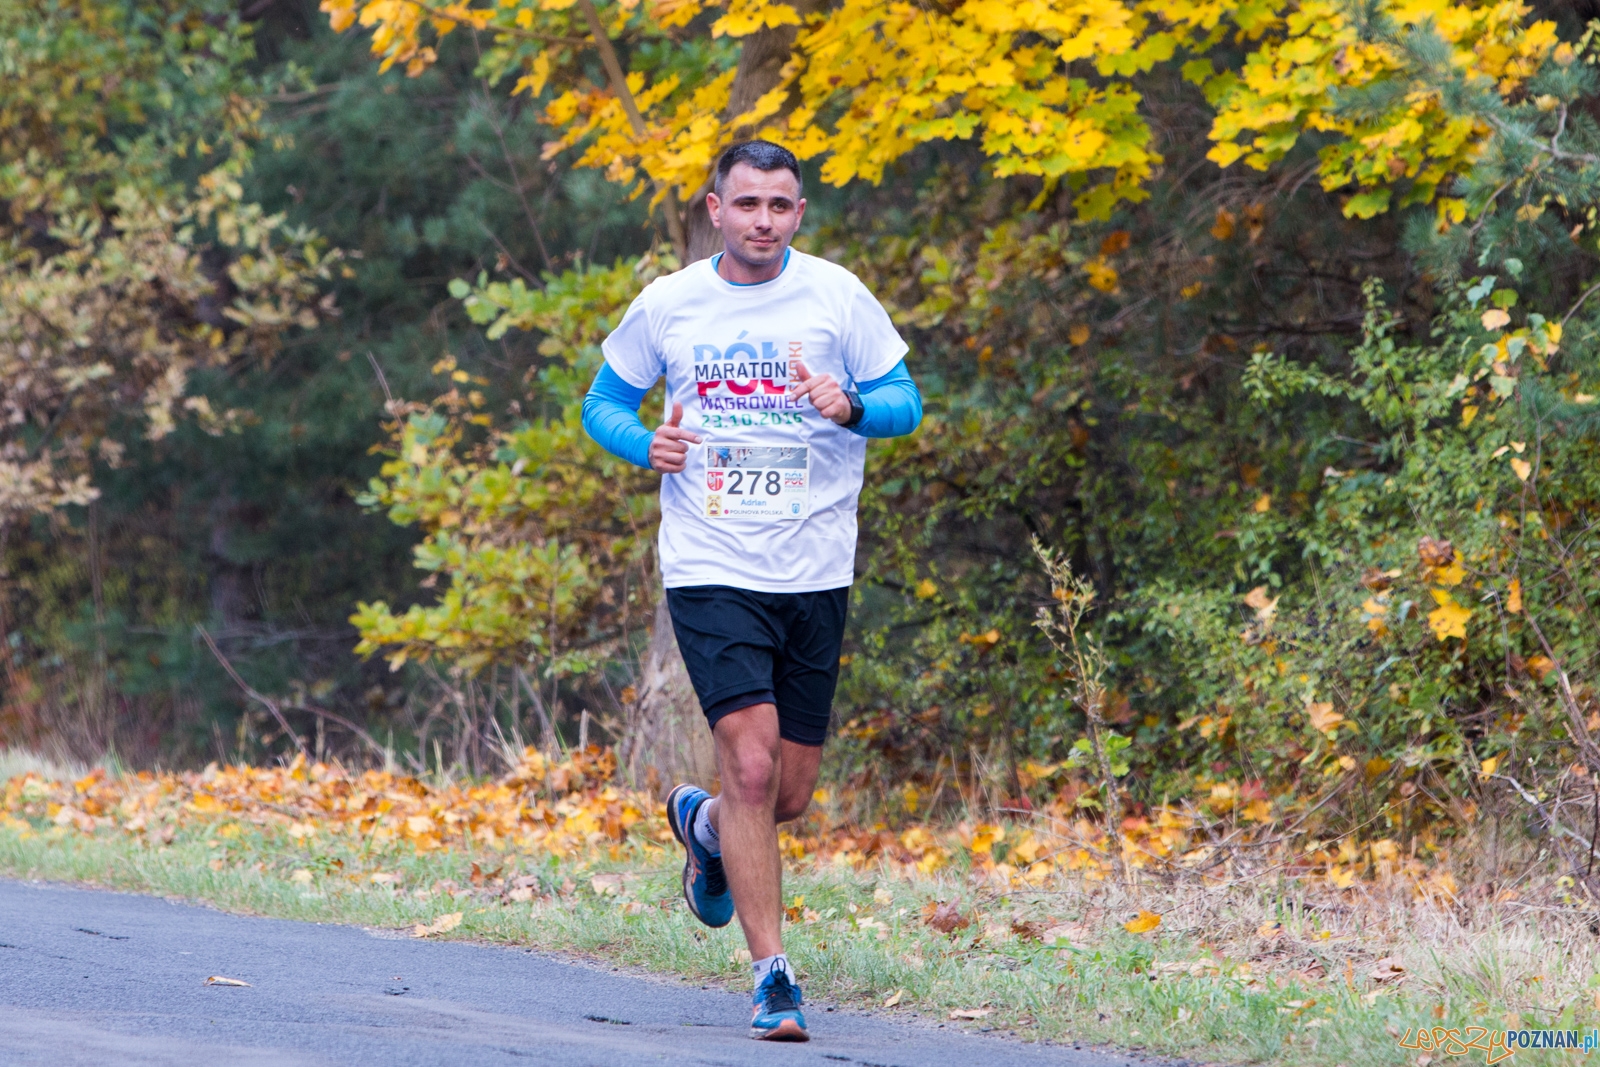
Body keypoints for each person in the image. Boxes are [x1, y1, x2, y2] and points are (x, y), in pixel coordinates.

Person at [581, 140, 922, 1042]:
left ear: (798, 213)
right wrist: (640, 443)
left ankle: (702, 828)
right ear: (714, 208)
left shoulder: (838, 297)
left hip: (815, 568)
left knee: (788, 792)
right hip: (709, 560)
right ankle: (773, 977)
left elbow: (907, 403)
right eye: (747, 205)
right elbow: (602, 404)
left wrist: (850, 406)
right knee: (753, 762)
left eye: (780, 205)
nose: (763, 221)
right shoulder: (670, 302)